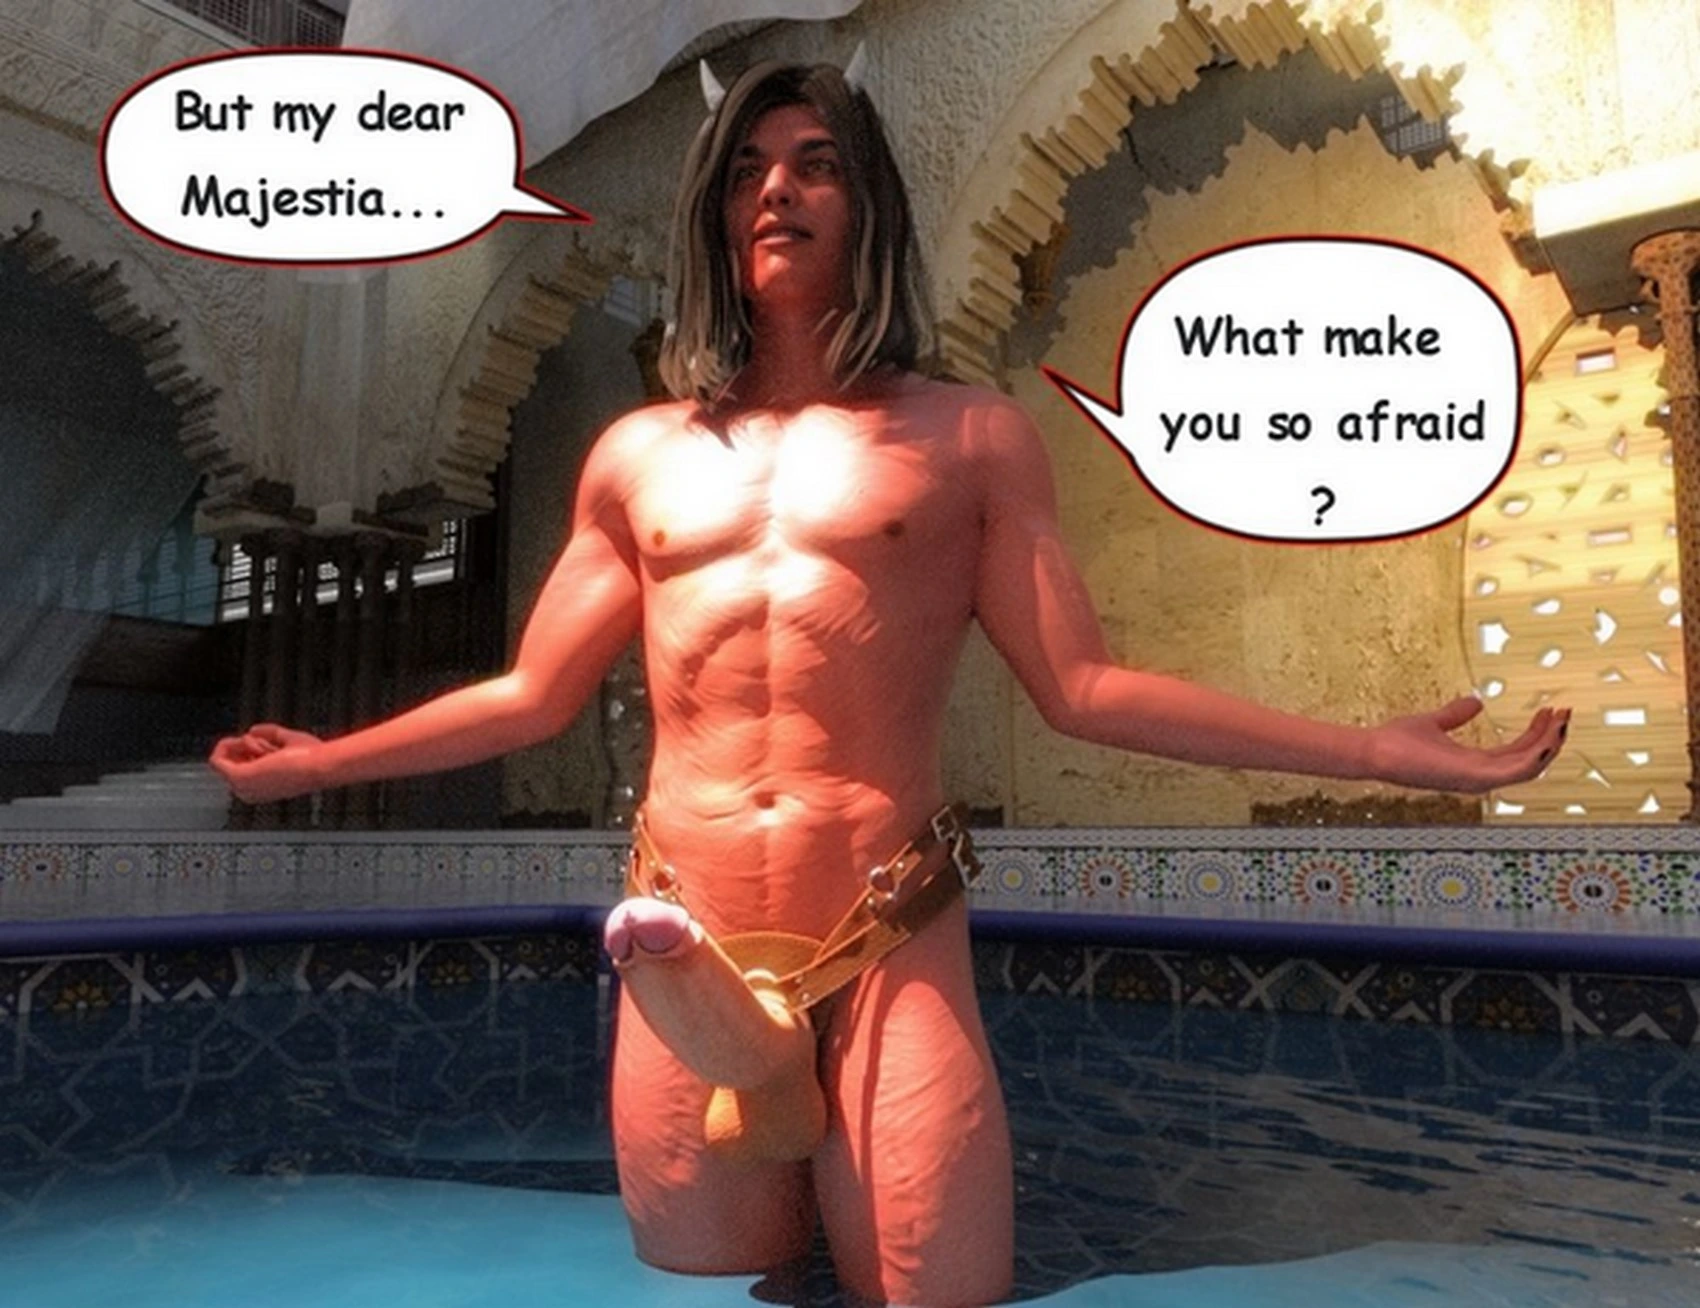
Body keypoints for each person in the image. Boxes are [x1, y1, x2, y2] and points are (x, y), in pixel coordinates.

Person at [212, 58, 1568, 1308]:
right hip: (688, 942)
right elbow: (532, 698)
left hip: (886, 937)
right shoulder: (637, 456)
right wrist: (326, 762)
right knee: (705, 1286)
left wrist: (1372, 753)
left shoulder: (971, 437)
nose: (779, 192)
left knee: (933, 1291)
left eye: (816, 165)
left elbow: (1084, 689)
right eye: (750, 170)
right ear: (714, 214)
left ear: (869, 205)